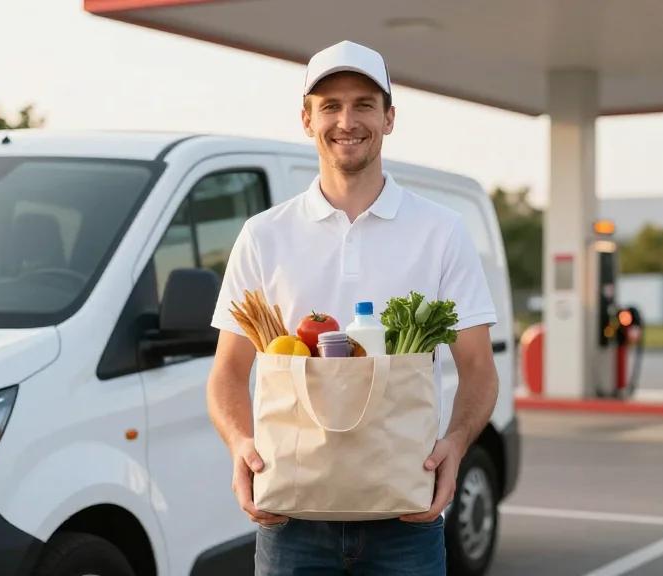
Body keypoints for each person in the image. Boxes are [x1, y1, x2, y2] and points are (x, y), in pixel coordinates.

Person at [206, 40, 500, 575]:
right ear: (306, 119)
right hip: (291, 519)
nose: (348, 120)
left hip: (405, 521)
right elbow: (227, 371)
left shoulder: (440, 232)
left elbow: (479, 369)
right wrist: (241, 444)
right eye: (330, 106)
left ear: (390, 118)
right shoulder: (264, 236)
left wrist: (455, 444)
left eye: (364, 103)